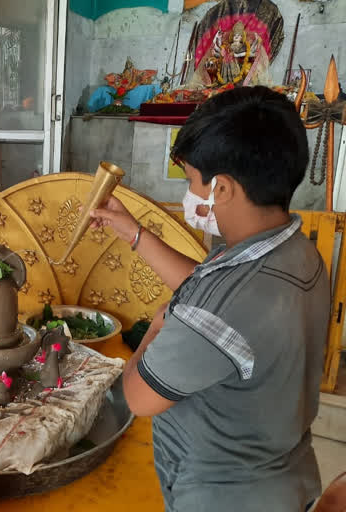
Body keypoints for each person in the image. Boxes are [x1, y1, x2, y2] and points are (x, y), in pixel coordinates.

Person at [90, 86, 330, 511]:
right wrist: (134, 233)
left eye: (191, 181)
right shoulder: (292, 248)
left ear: (221, 189)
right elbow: (205, 286)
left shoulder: (221, 305)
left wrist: (163, 322)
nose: (190, 193)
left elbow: (140, 396)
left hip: (223, 494)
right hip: (285, 473)